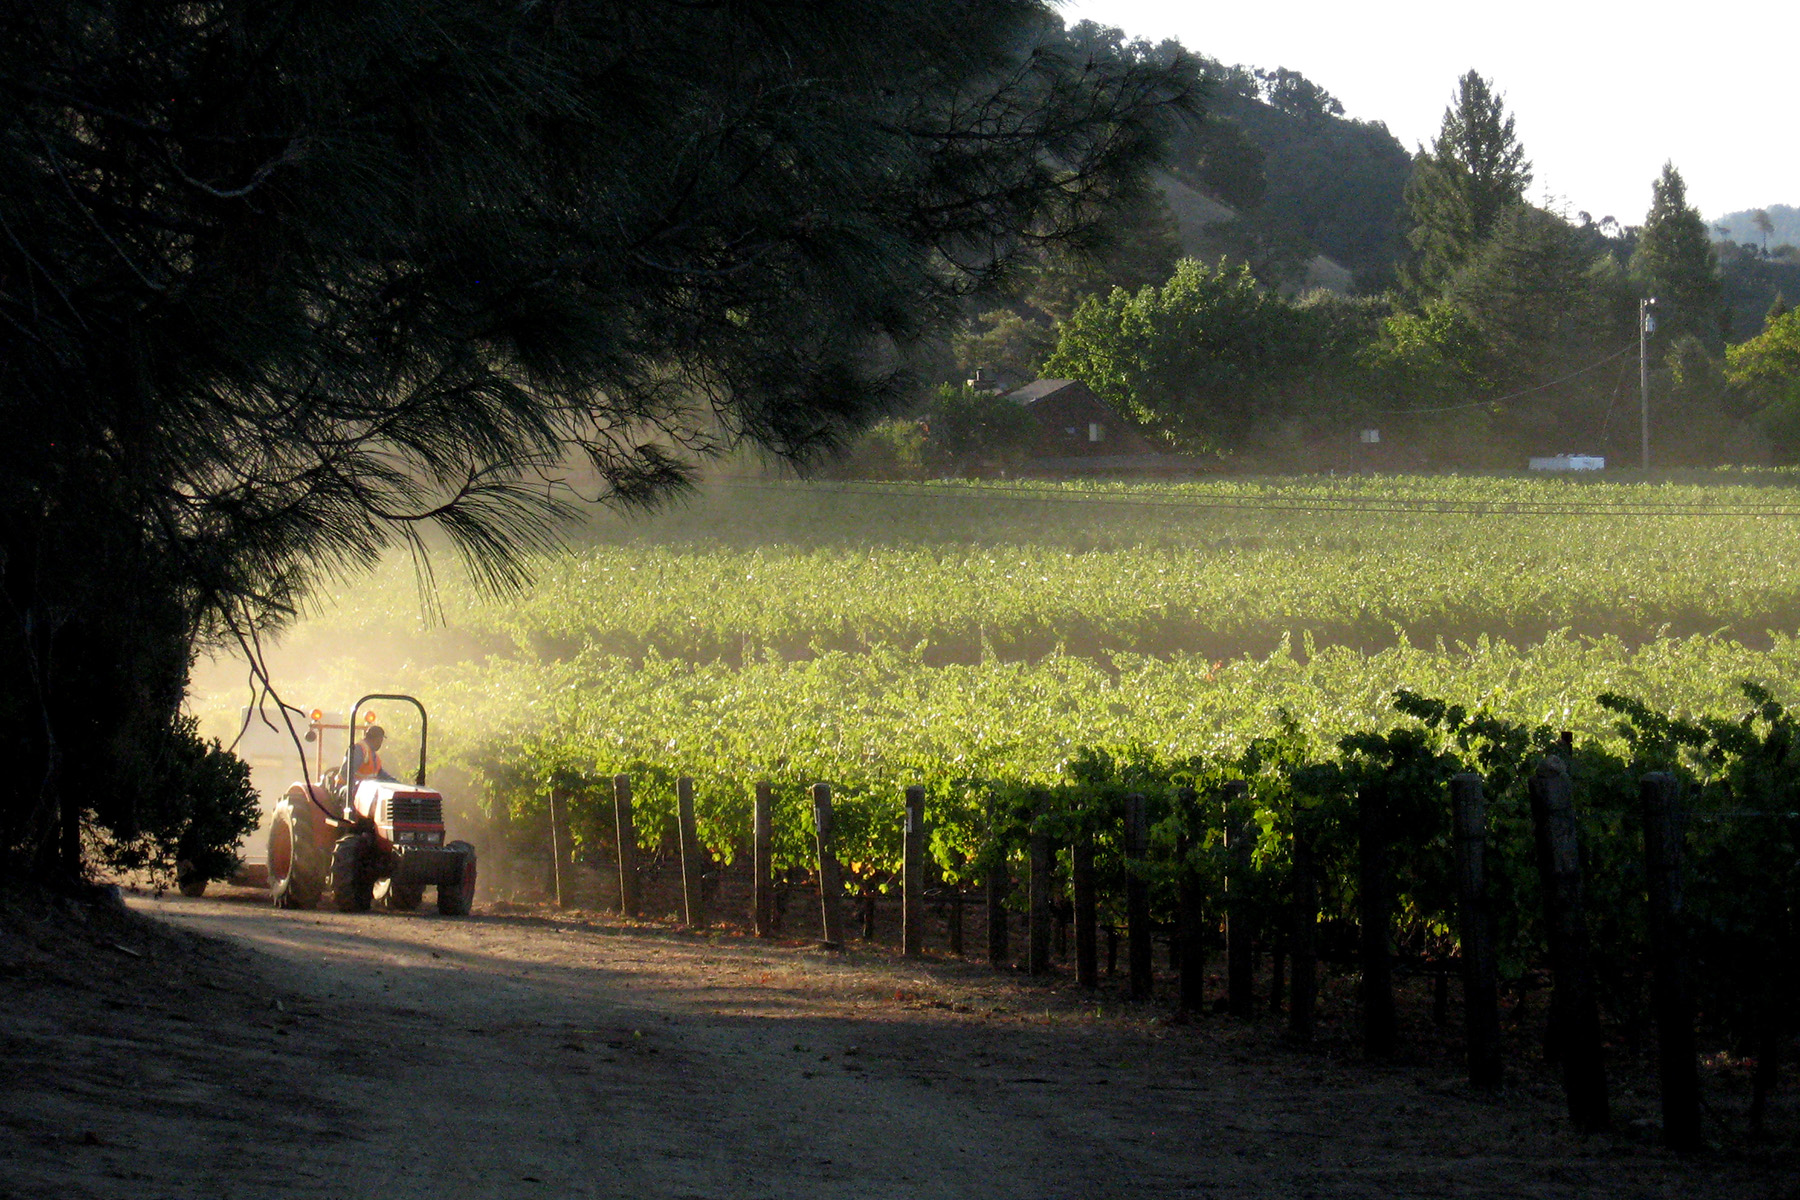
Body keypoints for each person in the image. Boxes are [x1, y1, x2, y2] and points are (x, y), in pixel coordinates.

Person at [346, 725, 398, 789]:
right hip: (348, 789)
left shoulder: (373, 755)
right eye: (380, 740)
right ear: (375, 739)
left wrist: (397, 783)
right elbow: (346, 773)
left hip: (363, 790)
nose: (380, 744)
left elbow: (381, 774)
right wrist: (361, 786)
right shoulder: (359, 750)